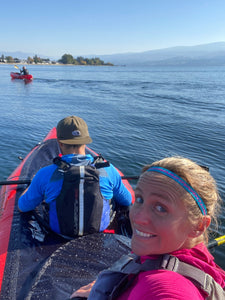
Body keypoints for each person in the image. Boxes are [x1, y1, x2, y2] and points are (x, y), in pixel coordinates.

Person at [71, 156, 225, 299]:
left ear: (198, 226)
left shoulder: (164, 287)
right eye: (139, 199)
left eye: (161, 208)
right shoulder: (166, 251)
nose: (137, 218)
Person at [18, 115, 132, 237]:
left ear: (60, 143)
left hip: (59, 232)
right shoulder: (108, 170)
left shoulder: (45, 174)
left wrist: (29, 188)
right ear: (86, 141)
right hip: (99, 230)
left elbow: (23, 207)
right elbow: (127, 200)